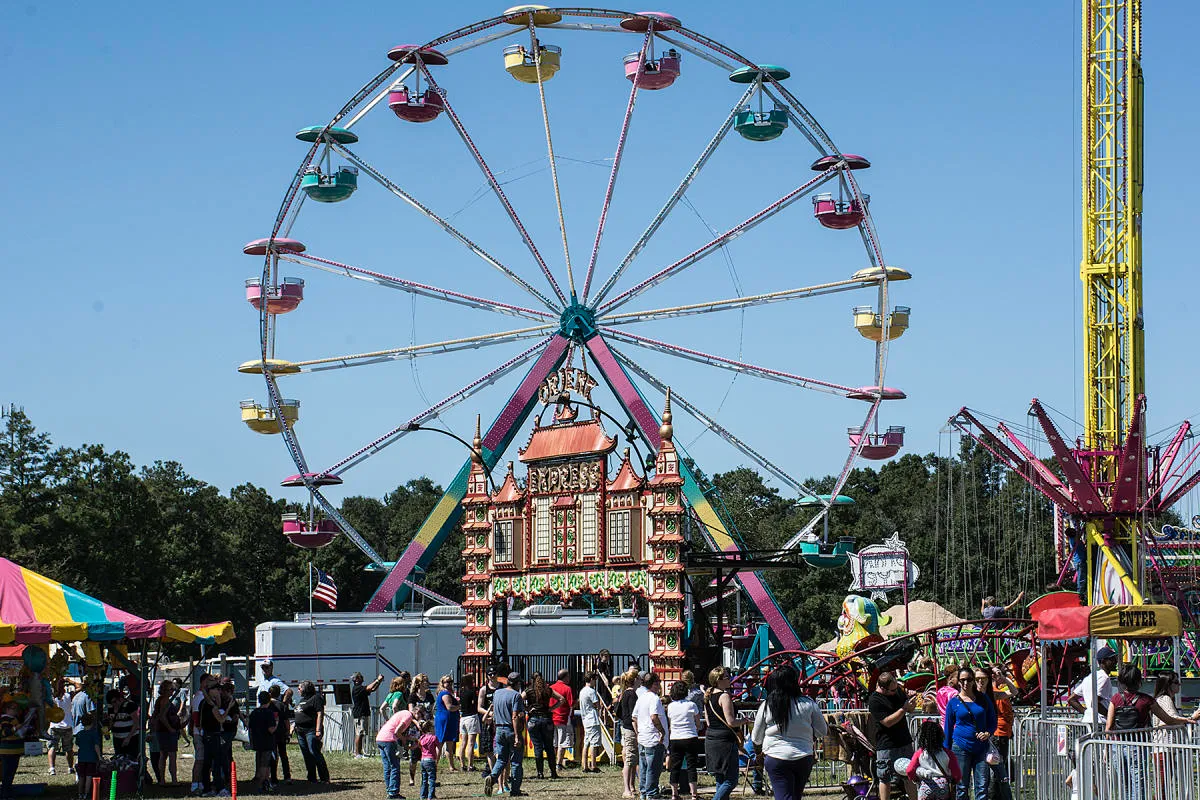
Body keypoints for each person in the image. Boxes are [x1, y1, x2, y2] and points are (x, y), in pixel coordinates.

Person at [750, 664, 828, 800]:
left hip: (775, 756)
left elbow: (756, 737)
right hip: (803, 756)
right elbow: (822, 731)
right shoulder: (808, 703)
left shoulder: (767, 704)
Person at [942, 667, 995, 800]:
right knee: (961, 787)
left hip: (981, 748)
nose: (966, 683)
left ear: (974, 681)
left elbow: (993, 721)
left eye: (969, 679)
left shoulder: (983, 699)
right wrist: (946, 753)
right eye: (963, 680)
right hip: (960, 747)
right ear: (958, 682)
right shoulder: (953, 702)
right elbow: (948, 729)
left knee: (982, 786)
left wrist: (988, 733)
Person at [868, 671, 917, 800]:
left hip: (904, 741)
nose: (895, 692)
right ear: (882, 688)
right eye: (892, 690)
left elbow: (909, 708)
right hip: (886, 745)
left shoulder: (898, 691)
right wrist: (903, 709)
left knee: (910, 775)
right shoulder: (874, 700)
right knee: (885, 777)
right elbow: (887, 722)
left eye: (896, 688)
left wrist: (911, 703)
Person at [704, 667, 748, 800]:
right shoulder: (724, 696)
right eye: (727, 677)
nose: (730, 679)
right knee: (731, 780)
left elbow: (708, 721)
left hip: (711, 738)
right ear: (719, 680)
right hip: (725, 741)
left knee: (720, 778)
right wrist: (744, 721)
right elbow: (731, 721)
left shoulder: (708, 695)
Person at [484, 672, 527, 798]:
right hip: (511, 729)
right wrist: (517, 736)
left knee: (502, 759)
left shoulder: (497, 693)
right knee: (516, 762)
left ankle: (492, 778)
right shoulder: (516, 696)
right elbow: (514, 716)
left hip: (498, 729)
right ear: (517, 683)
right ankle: (515, 790)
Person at [979, 665, 1014, 800]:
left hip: (1002, 732)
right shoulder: (992, 693)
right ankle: (994, 796)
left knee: (998, 767)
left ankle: (996, 794)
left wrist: (1004, 679)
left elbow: (1014, 691)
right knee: (996, 767)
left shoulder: (996, 692)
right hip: (998, 733)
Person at [632, 672, 668, 800]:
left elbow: (634, 717)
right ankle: (651, 794)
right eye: (658, 682)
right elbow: (654, 716)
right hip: (654, 738)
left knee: (643, 768)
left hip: (643, 737)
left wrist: (638, 732)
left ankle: (643, 793)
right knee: (653, 768)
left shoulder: (641, 697)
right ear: (655, 684)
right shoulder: (654, 698)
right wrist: (662, 731)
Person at [905, 720, 961, 800]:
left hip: (925, 785)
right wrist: (954, 781)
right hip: (943, 786)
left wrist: (915, 779)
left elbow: (910, 770)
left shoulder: (920, 753)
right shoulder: (948, 753)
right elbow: (957, 773)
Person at [198, 680, 235, 796]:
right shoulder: (210, 706)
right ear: (211, 691)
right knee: (216, 762)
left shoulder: (204, 703)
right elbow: (221, 719)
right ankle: (219, 788)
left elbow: (217, 705)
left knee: (207, 763)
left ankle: (207, 788)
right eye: (217, 689)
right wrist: (229, 707)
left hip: (207, 735)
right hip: (213, 735)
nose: (219, 692)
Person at [524, 672, 564, 779]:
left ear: (532, 679)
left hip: (533, 719)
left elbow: (518, 699)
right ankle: (553, 772)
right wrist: (551, 708)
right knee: (549, 747)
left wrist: (527, 708)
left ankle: (540, 773)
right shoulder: (548, 690)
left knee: (538, 747)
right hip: (547, 719)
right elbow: (561, 699)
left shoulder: (529, 690)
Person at [665, 681, 700, 800]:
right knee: (691, 766)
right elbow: (698, 723)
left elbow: (670, 723)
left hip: (675, 737)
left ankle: (675, 794)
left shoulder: (670, 706)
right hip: (690, 736)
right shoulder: (692, 705)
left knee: (675, 766)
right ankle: (694, 794)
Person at [1068, 645, 1117, 726]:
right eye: (1112, 659)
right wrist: (1110, 716)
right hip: (1099, 723)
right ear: (1103, 661)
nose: (1115, 662)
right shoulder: (1104, 678)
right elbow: (1095, 702)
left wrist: (1087, 713)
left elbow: (1071, 699)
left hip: (1088, 721)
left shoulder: (1090, 677)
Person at [293, 681, 329, 784]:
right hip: (300, 731)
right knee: (306, 754)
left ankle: (324, 778)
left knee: (314, 752)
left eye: (300, 688)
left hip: (311, 730)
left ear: (306, 689)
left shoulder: (315, 698)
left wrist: (318, 730)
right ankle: (311, 777)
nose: (298, 690)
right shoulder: (302, 700)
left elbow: (319, 713)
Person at [378, 705, 416, 800]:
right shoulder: (408, 716)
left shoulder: (402, 712)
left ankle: (390, 791)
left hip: (380, 738)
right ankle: (394, 793)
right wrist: (404, 743)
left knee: (387, 767)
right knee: (395, 766)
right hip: (389, 740)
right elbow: (397, 731)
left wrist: (405, 738)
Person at [151, 679, 183, 785]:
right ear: (165, 690)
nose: (173, 691)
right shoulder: (164, 700)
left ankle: (162, 780)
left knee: (163, 756)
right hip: (166, 731)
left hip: (161, 731)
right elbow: (162, 717)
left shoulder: (161, 699)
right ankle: (173, 780)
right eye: (171, 689)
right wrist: (171, 729)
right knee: (171, 756)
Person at [2, 700, 35, 800]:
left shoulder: (14, 719)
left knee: (10, 773)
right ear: (7, 709)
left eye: (17, 708)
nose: (16, 710)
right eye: (13, 708)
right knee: (7, 774)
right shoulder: (5, 719)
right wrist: (16, 728)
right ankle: (5, 794)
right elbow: (4, 732)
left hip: (14, 751)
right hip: (7, 751)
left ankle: (7, 793)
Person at [617, 667, 642, 798]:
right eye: (638, 678)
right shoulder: (632, 694)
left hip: (625, 727)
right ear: (635, 680)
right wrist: (638, 732)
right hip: (630, 730)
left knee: (633, 760)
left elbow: (619, 713)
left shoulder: (625, 693)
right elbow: (634, 716)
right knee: (629, 760)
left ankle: (631, 787)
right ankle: (626, 789)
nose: (640, 680)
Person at [247, 691, 279, 793]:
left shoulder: (254, 712)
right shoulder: (269, 713)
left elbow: (249, 726)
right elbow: (271, 729)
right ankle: (261, 784)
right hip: (267, 741)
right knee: (265, 764)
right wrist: (277, 722)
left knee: (260, 762)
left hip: (257, 741)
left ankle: (265, 781)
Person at [189, 674, 214, 795]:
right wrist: (200, 729)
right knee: (199, 759)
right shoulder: (199, 697)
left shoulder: (206, 696)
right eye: (210, 681)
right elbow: (195, 715)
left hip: (203, 732)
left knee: (204, 760)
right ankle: (194, 785)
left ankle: (201, 783)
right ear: (204, 682)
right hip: (199, 733)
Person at [408, 674, 435, 787]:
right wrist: (417, 723)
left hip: (427, 728)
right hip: (416, 728)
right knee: (414, 755)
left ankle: (428, 778)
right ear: (419, 683)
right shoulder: (413, 696)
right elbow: (411, 713)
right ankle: (411, 778)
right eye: (425, 681)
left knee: (428, 754)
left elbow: (432, 710)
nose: (427, 683)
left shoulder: (429, 696)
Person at [351, 672, 385, 759]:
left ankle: (359, 752)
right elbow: (369, 687)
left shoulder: (361, 689)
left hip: (363, 713)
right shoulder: (357, 688)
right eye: (361, 677)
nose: (362, 679)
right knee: (359, 733)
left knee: (361, 733)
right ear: (357, 679)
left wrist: (379, 682)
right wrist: (377, 680)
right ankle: (357, 753)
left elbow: (371, 690)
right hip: (360, 714)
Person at [46, 678, 75, 777]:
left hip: (55, 725)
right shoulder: (69, 696)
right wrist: (70, 681)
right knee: (69, 748)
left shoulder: (52, 698)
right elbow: (79, 687)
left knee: (52, 747)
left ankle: (52, 768)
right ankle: (70, 767)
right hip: (67, 725)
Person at [433, 675, 461, 771]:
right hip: (444, 720)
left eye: (450, 681)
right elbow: (449, 707)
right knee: (440, 743)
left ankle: (451, 766)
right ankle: (434, 765)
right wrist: (459, 706)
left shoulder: (449, 693)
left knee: (449, 743)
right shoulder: (445, 693)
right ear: (443, 683)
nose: (449, 683)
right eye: (447, 682)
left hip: (449, 720)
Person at [267, 684, 292, 785]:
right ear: (279, 694)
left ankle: (273, 778)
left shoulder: (268, 705)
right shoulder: (282, 705)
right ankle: (287, 776)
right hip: (281, 733)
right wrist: (288, 732)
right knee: (283, 755)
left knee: (273, 755)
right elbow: (286, 721)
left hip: (271, 733)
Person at [550, 668, 575, 771]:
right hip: (563, 718)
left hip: (551, 717)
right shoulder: (567, 689)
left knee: (554, 742)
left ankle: (554, 761)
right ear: (565, 677)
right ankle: (558, 763)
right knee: (562, 742)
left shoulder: (551, 687)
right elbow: (571, 704)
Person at [578, 672, 603, 774]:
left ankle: (584, 764)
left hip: (585, 719)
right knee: (594, 743)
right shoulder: (591, 691)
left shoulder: (582, 691)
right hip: (592, 718)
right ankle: (593, 765)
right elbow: (597, 704)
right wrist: (600, 706)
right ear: (592, 679)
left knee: (586, 742)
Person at [74, 712, 102, 800]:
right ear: (92, 722)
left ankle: (80, 794)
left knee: (81, 776)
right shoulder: (94, 733)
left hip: (81, 758)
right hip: (91, 758)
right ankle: (86, 794)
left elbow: (77, 743)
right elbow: (96, 746)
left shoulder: (79, 734)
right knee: (89, 776)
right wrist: (100, 757)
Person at [457, 674, 480, 773]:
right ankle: (470, 765)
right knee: (471, 743)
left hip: (463, 718)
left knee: (463, 743)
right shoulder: (472, 692)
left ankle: (462, 765)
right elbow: (475, 703)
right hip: (471, 717)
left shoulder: (461, 692)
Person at [418, 720, 439, 800]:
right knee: (432, 779)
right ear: (430, 729)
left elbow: (420, 746)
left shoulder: (422, 737)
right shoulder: (434, 737)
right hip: (430, 760)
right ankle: (431, 796)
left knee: (424, 779)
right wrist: (436, 757)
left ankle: (422, 795)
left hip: (423, 760)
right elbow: (438, 747)